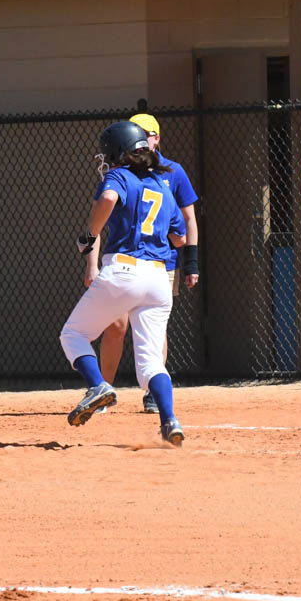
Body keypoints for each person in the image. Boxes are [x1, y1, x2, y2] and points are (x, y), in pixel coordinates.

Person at [60, 121, 187, 445]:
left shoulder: (118, 176)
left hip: (124, 270)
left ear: (119, 152)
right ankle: (169, 421)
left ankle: (97, 385)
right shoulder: (161, 183)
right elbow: (180, 237)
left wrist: (90, 235)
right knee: (150, 363)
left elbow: (108, 198)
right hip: (158, 278)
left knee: (73, 334)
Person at [94, 112, 199, 414]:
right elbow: (98, 217)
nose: (141, 139)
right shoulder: (120, 172)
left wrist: (191, 262)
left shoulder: (172, 171)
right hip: (123, 258)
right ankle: (103, 390)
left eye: (146, 134)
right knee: (116, 325)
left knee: (154, 328)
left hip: (160, 262)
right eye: (136, 133)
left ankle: (153, 393)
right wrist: (92, 263)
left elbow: (187, 221)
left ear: (157, 138)